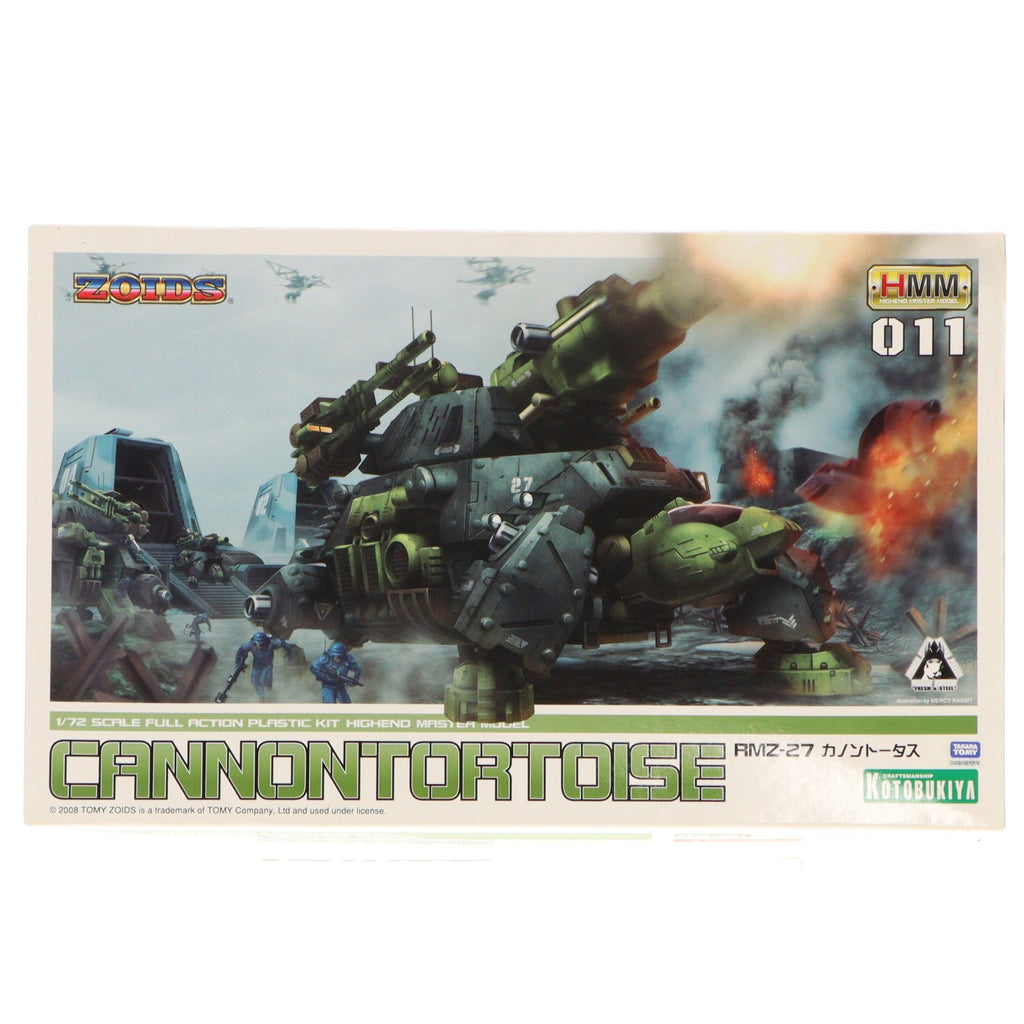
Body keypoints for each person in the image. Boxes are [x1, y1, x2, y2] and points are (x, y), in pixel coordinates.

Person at [234, 631, 296, 702]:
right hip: (256, 666)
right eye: (258, 644)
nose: (259, 646)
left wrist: (289, 654)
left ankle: (269, 690)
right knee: (255, 681)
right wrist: (238, 662)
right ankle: (262, 698)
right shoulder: (251, 644)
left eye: (262, 644)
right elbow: (240, 650)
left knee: (264, 679)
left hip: (267, 666)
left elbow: (284, 644)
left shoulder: (271, 643)